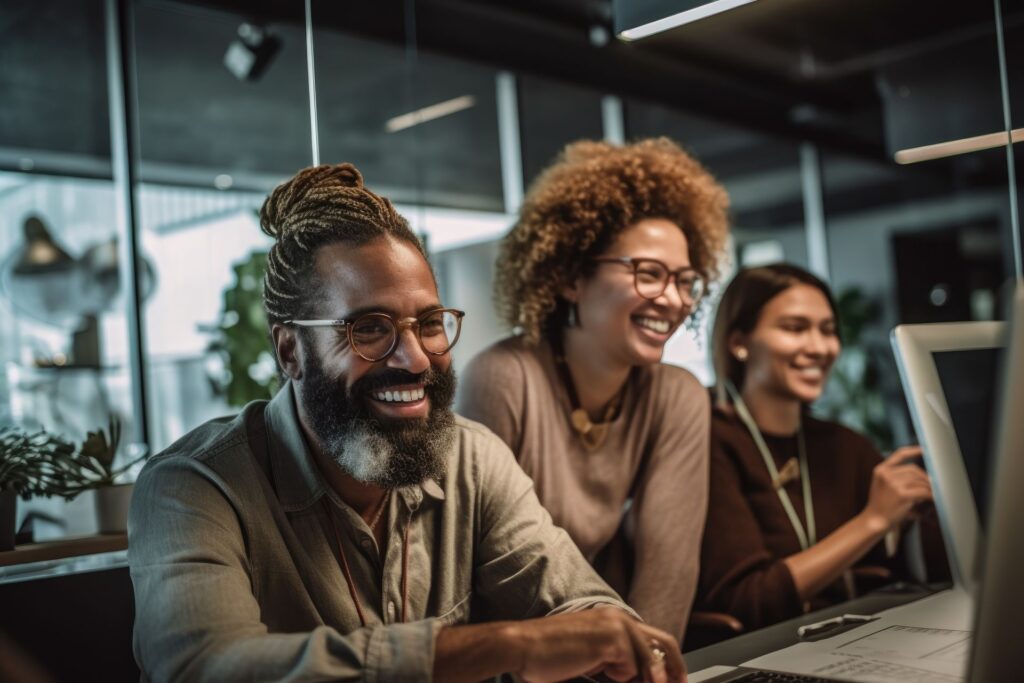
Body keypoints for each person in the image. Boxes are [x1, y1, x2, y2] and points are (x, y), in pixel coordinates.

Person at [128, 163, 686, 683]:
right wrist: (514, 646)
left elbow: (575, 600)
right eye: (370, 328)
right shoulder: (193, 487)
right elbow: (205, 665)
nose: (416, 358)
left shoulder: (472, 457)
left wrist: (617, 639)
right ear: (291, 351)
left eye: (429, 323)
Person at [458, 138, 731, 640]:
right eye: (648, 274)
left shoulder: (679, 396)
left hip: (610, 654)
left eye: (685, 280)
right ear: (569, 278)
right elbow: (486, 574)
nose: (672, 299)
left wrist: (646, 669)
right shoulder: (502, 378)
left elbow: (668, 570)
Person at [696, 263, 945, 630]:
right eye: (795, 328)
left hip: (854, 638)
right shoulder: (707, 441)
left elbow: (939, 571)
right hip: (758, 655)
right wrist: (874, 520)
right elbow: (747, 600)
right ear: (738, 343)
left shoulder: (845, 445)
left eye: (828, 331)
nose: (819, 347)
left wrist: (915, 514)